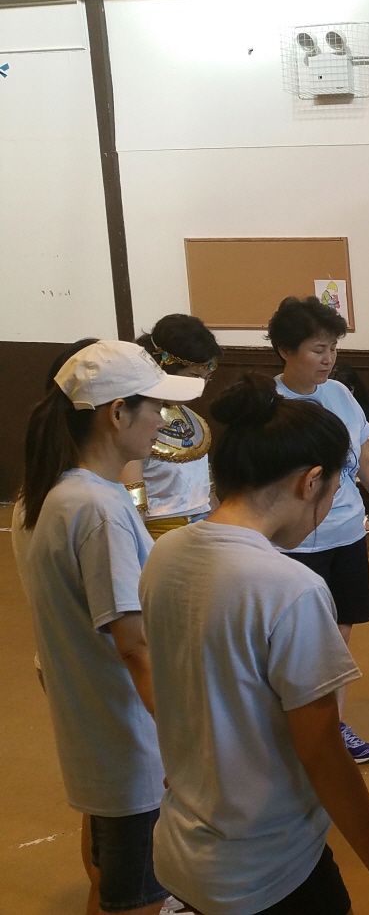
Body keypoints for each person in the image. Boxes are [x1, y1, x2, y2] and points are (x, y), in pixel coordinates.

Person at [139, 374, 369, 915]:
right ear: (311, 482)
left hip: (182, 851)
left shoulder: (166, 554)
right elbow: (323, 754)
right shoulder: (290, 588)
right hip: (268, 868)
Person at [18, 340, 206, 915]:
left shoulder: (48, 495)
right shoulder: (99, 509)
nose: (163, 421)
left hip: (99, 738)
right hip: (132, 746)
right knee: (138, 896)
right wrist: (183, 741)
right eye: (155, 407)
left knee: (112, 883)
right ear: (118, 413)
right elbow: (136, 646)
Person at [268, 296, 369, 765]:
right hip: (292, 542)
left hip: (345, 532)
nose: (328, 359)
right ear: (285, 350)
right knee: (296, 639)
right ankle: (293, 729)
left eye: (332, 348)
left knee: (340, 633)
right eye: (317, 349)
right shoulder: (271, 404)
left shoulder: (341, 395)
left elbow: (366, 459)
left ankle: (333, 727)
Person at [125, 314, 221, 538]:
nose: (200, 388)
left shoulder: (194, 420)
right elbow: (134, 506)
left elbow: (209, 495)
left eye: (207, 378)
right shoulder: (133, 422)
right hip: (157, 536)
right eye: (193, 376)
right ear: (162, 366)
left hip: (205, 532)